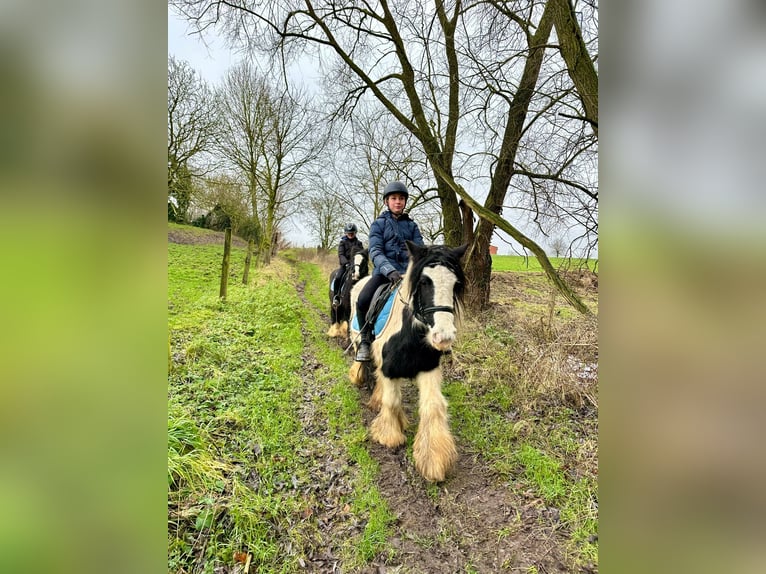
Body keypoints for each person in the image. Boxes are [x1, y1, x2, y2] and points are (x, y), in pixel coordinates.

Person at [355, 181, 424, 362]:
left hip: (408, 274)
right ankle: (364, 340)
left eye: (401, 198)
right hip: (384, 274)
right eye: (394, 198)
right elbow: (375, 251)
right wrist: (389, 270)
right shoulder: (378, 224)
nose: (398, 202)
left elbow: (420, 251)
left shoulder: (412, 226)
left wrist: (415, 270)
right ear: (387, 201)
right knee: (362, 300)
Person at [332, 223, 364, 306]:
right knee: (338, 277)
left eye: (352, 233)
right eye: (349, 233)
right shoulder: (342, 242)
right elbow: (341, 255)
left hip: (356, 266)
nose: (350, 234)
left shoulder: (359, 244)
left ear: (355, 233)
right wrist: (346, 263)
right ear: (346, 233)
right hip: (345, 266)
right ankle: (336, 297)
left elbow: (361, 255)